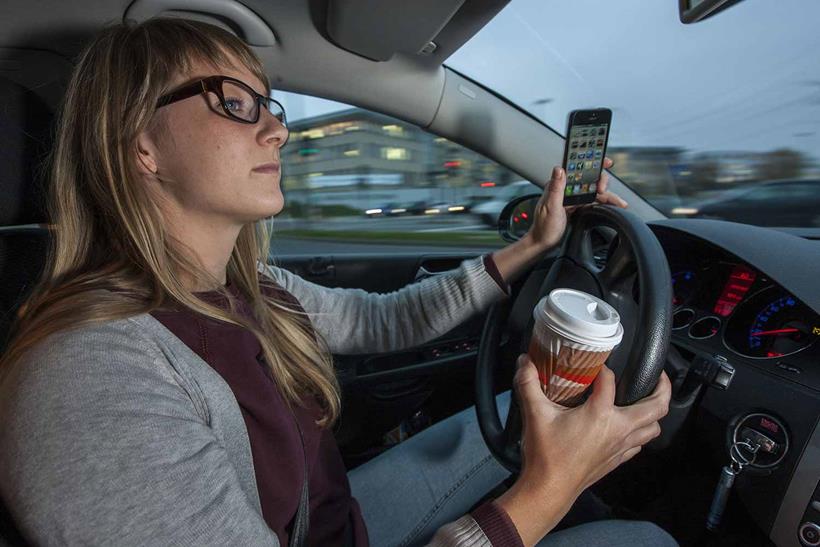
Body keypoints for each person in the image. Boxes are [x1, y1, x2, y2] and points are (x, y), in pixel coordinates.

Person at [0, 18, 674, 547]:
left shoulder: (250, 284)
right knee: (645, 537)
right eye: (235, 103)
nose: (275, 131)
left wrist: (534, 244)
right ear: (139, 144)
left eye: (271, 106)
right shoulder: (89, 377)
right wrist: (548, 490)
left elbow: (383, 320)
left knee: (501, 420)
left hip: (333, 521)